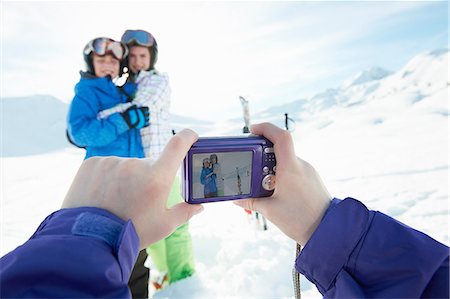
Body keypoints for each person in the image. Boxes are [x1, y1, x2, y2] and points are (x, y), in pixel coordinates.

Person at [0, 124, 448, 298]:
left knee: (166, 247)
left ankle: (175, 281)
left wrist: (81, 243)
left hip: (121, 191)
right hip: (121, 183)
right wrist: (333, 234)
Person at [97, 29, 196, 291]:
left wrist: (101, 116)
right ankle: (163, 274)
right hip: (141, 169)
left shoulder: (157, 81)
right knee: (150, 229)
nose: (138, 61)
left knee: (175, 225)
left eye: (143, 55)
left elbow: (139, 108)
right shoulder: (127, 87)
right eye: (134, 56)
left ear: (152, 58)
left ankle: (185, 281)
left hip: (165, 164)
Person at [66, 36, 150, 298]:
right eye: (101, 60)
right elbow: (80, 132)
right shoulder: (86, 92)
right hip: (104, 184)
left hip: (133, 180)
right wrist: (124, 121)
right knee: (106, 248)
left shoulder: (121, 92)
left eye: (113, 61)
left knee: (137, 248)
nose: (108, 65)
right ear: (91, 62)